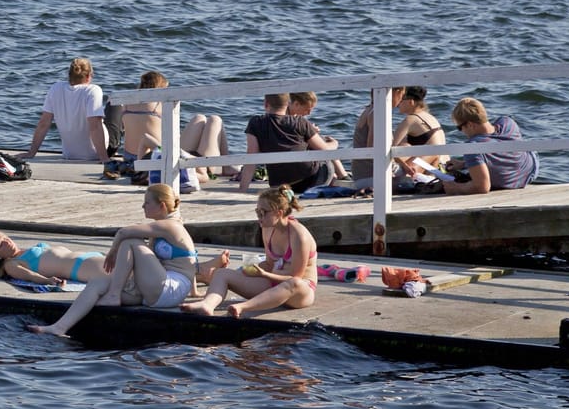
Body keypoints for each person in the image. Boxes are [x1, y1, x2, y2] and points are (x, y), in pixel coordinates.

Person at [29, 184, 202, 336]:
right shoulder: (159, 229)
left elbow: (123, 232)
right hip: (157, 290)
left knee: (131, 241)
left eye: (147, 202)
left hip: (171, 289)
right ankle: (59, 327)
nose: (143, 206)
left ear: (162, 206)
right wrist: (194, 292)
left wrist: (112, 251)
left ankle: (113, 295)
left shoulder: (171, 226)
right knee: (98, 283)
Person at [183, 185, 317, 318]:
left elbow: (296, 276)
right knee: (222, 274)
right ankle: (207, 304)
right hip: (273, 284)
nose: (259, 216)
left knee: (295, 283)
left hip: (300, 292)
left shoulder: (299, 236)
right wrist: (249, 271)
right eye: (257, 212)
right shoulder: (267, 228)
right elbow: (270, 264)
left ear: (279, 213)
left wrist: (265, 274)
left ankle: (242, 307)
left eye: (263, 213)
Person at [240, 92, 338, 194]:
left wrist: (242, 189)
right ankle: (337, 177)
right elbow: (325, 149)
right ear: (288, 103)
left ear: (265, 104)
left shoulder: (255, 122)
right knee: (323, 154)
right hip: (310, 181)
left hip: (280, 186)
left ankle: (333, 178)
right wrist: (335, 143)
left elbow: (251, 158)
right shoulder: (300, 122)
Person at [443, 97, 538, 194]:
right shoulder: (508, 122)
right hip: (530, 170)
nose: (461, 132)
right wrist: (464, 164)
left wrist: (456, 188)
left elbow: (482, 187)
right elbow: (499, 151)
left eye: (460, 128)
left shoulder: (473, 147)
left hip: (507, 182)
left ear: (470, 125)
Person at [22, 58, 108, 163]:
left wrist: (31, 152)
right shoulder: (93, 90)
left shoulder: (55, 88)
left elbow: (43, 123)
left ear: (69, 75)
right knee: (114, 107)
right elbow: (95, 125)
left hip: (69, 154)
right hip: (94, 154)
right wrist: (104, 158)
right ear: (88, 76)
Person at [0, 230, 109, 287]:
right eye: (1, 245)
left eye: (5, 238)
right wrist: (47, 281)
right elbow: (30, 276)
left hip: (90, 256)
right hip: (80, 266)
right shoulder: (11, 264)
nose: (7, 242)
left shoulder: (24, 252)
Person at [353, 86, 424, 182]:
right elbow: (373, 147)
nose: (401, 99)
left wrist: (404, 165)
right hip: (373, 177)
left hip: (362, 175)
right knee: (430, 155)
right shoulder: (377, 113)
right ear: (396, 92)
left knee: (406, 146)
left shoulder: (369, 110)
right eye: (402, 94)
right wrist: (402, 167)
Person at [390, 89, 449, 180]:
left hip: (431, 168)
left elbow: (392, 150)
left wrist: (404, 165)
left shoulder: (411, 119)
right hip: (443, 167)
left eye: (401, 100)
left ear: (411, 102)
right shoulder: (429, 117)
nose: (398, 104)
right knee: (405, 146)